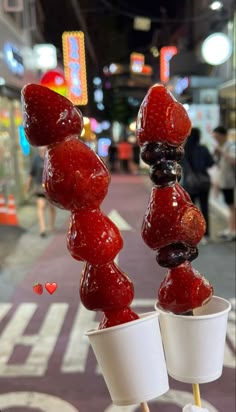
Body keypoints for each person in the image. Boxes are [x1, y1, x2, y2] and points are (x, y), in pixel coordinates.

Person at [182, 127, 215, 243]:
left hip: (189, 184)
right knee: (204, 208)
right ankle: (206, 235)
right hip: (203, 183)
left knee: (190, 211)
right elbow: (210, 163)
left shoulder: (184, 150)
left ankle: (192, 236)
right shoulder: (203, 149)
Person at [25, 147, 56, 237]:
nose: (42, 150)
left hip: (50, 189)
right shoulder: (36, 160)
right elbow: (31, 174)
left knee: (51, 207)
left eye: (44, 149)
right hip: (39, 188)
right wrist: (27, 185)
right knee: (40, 206)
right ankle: (42, 229)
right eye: (40, 149)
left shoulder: (51, 158)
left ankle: (52, 225)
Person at [212, 126, 236, 241]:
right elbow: (219, 166)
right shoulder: (222, 146)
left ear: (223, 135)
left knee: (232, 207)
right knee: (230, 206)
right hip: (225, 181)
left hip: (231, 182)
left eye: (217, 136)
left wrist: (221, 152)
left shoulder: (231, 145)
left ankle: (232, 231)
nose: (216, 139)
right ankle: (231, 229)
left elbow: (233, 160)